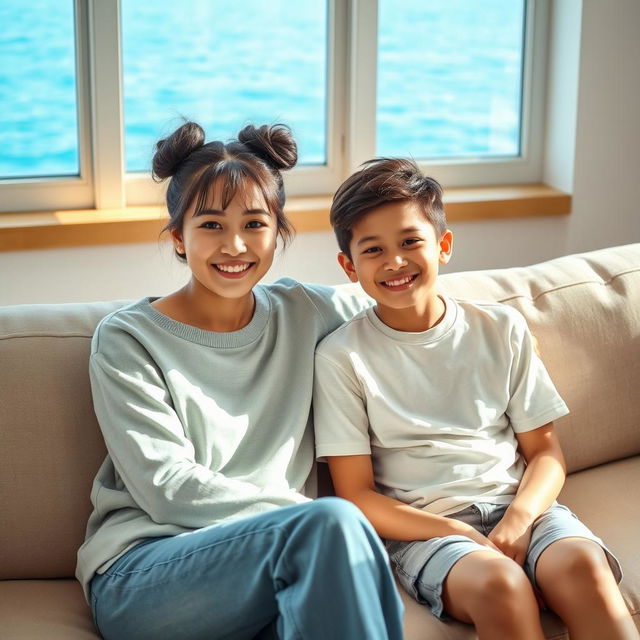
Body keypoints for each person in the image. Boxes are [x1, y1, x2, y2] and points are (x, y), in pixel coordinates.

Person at [75, 122, 404, 640]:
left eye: (254, 224)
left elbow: (407, 310)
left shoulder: (309, 311)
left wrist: (499, 331)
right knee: (333, 526)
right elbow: (167, 489)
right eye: (210, 225)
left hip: (282, 567)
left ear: (279, 234)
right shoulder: (127, 340)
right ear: (178, 238)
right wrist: (309, 520)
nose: (234, 245)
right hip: (147, 573)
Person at [313, 158, 637, 639]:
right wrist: (460, 533)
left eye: (410, 242)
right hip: (428, 529)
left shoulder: (500, 329)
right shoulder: (342, 356)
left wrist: (521, 520)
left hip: (523, 507)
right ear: (349, 266)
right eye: (373, 250)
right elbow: (357, 494)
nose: (395, 261)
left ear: (443, 245)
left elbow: (545, 453)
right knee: (501, 584)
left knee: (583, 568)